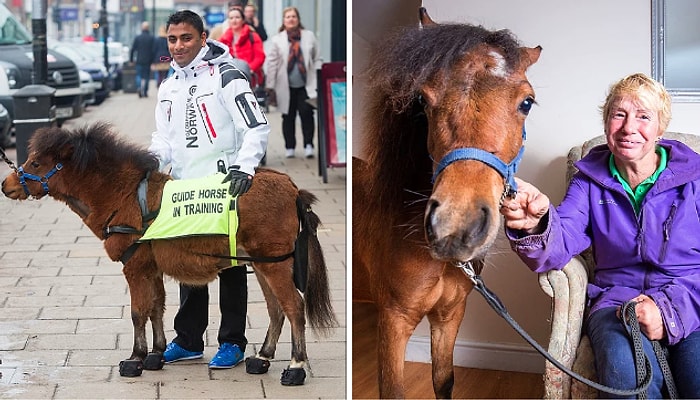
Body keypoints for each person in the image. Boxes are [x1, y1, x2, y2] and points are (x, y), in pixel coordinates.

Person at [500, 73, 700, 398]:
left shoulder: (695, 177)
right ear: (607, 122)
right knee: (627, 379)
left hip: (689, 297)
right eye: (618, 114)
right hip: (616, 301)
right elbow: (561, 241)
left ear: (660, 129)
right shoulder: (589, 179)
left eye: (643, 116)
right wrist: (535, 224)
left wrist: (669, 311)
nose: (628, 127)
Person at [148, 9, 269, 369]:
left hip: (223, 184)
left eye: (186, 38)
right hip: (185, 187)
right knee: (188, 260)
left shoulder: (227, 75)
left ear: (203, 38)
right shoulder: (169, 85)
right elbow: (163, 139)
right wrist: (149, 163)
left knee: (230, 263)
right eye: (172, 39)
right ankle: (188, 340)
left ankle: (232, 341)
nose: (178, 45)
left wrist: (245, 167)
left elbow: (256, 126)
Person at [265, 6, 321, 159]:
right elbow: (272, 63)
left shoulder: (309, 36)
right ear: (284, 21)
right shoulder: (277, 40)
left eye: (293, 16)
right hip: (285, 86)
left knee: (306, 114)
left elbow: (317, 58)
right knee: (288, 117)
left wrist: (318, 76)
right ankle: (289, 146)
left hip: (306, 84)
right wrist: (270, 86)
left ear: (298, 19)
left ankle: (309, 145)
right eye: (288, 17)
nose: (291, 19)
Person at [219, 6, 265, 87]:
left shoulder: (253, 36)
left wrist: (248, 70)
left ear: (243, 20)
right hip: (230, 80)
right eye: (231, 18)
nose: (234, 20)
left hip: (251, 79)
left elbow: (260, 57)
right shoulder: (223, 39)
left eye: (237, 17)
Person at [130, 21, 155, 98]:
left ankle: (138, 87)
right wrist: (153, 61)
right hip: (148, 61)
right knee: (146, 76)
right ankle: (145, 92)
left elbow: (133, 49)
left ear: (142, 28)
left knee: (139, 76)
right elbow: (153, 50)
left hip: (139, 60)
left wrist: (131, 60)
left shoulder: (138, 37)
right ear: (148, 28)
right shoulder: (152, 38)